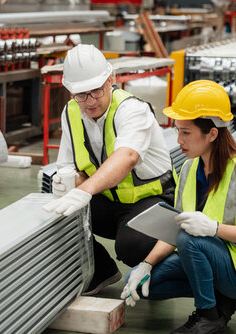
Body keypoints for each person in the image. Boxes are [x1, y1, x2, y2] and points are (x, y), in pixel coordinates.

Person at [119, 80, 236, 334]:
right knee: (141, 285)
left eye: (186, 133)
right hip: (210, 259)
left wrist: (213, 228)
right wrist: (146, 263)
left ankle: (209, 315)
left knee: (190, 238)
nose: (178, 140)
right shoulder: (189, 170)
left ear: (212, 134)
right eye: (177, 131)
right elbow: (173, 228)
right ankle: (220, 300)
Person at [42, 44, 176, 296]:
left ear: (111, 79)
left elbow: (127, 157)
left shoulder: (131, 110)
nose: (89, 101)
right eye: (81, 94)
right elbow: (71, 168)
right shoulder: (71, 112)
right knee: (58, 215)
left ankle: (160, 273)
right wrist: (69, 183)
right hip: (109, 200)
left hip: (153, 201)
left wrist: (85, 190)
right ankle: (101, 270)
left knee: (132, 245)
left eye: (96, 91)